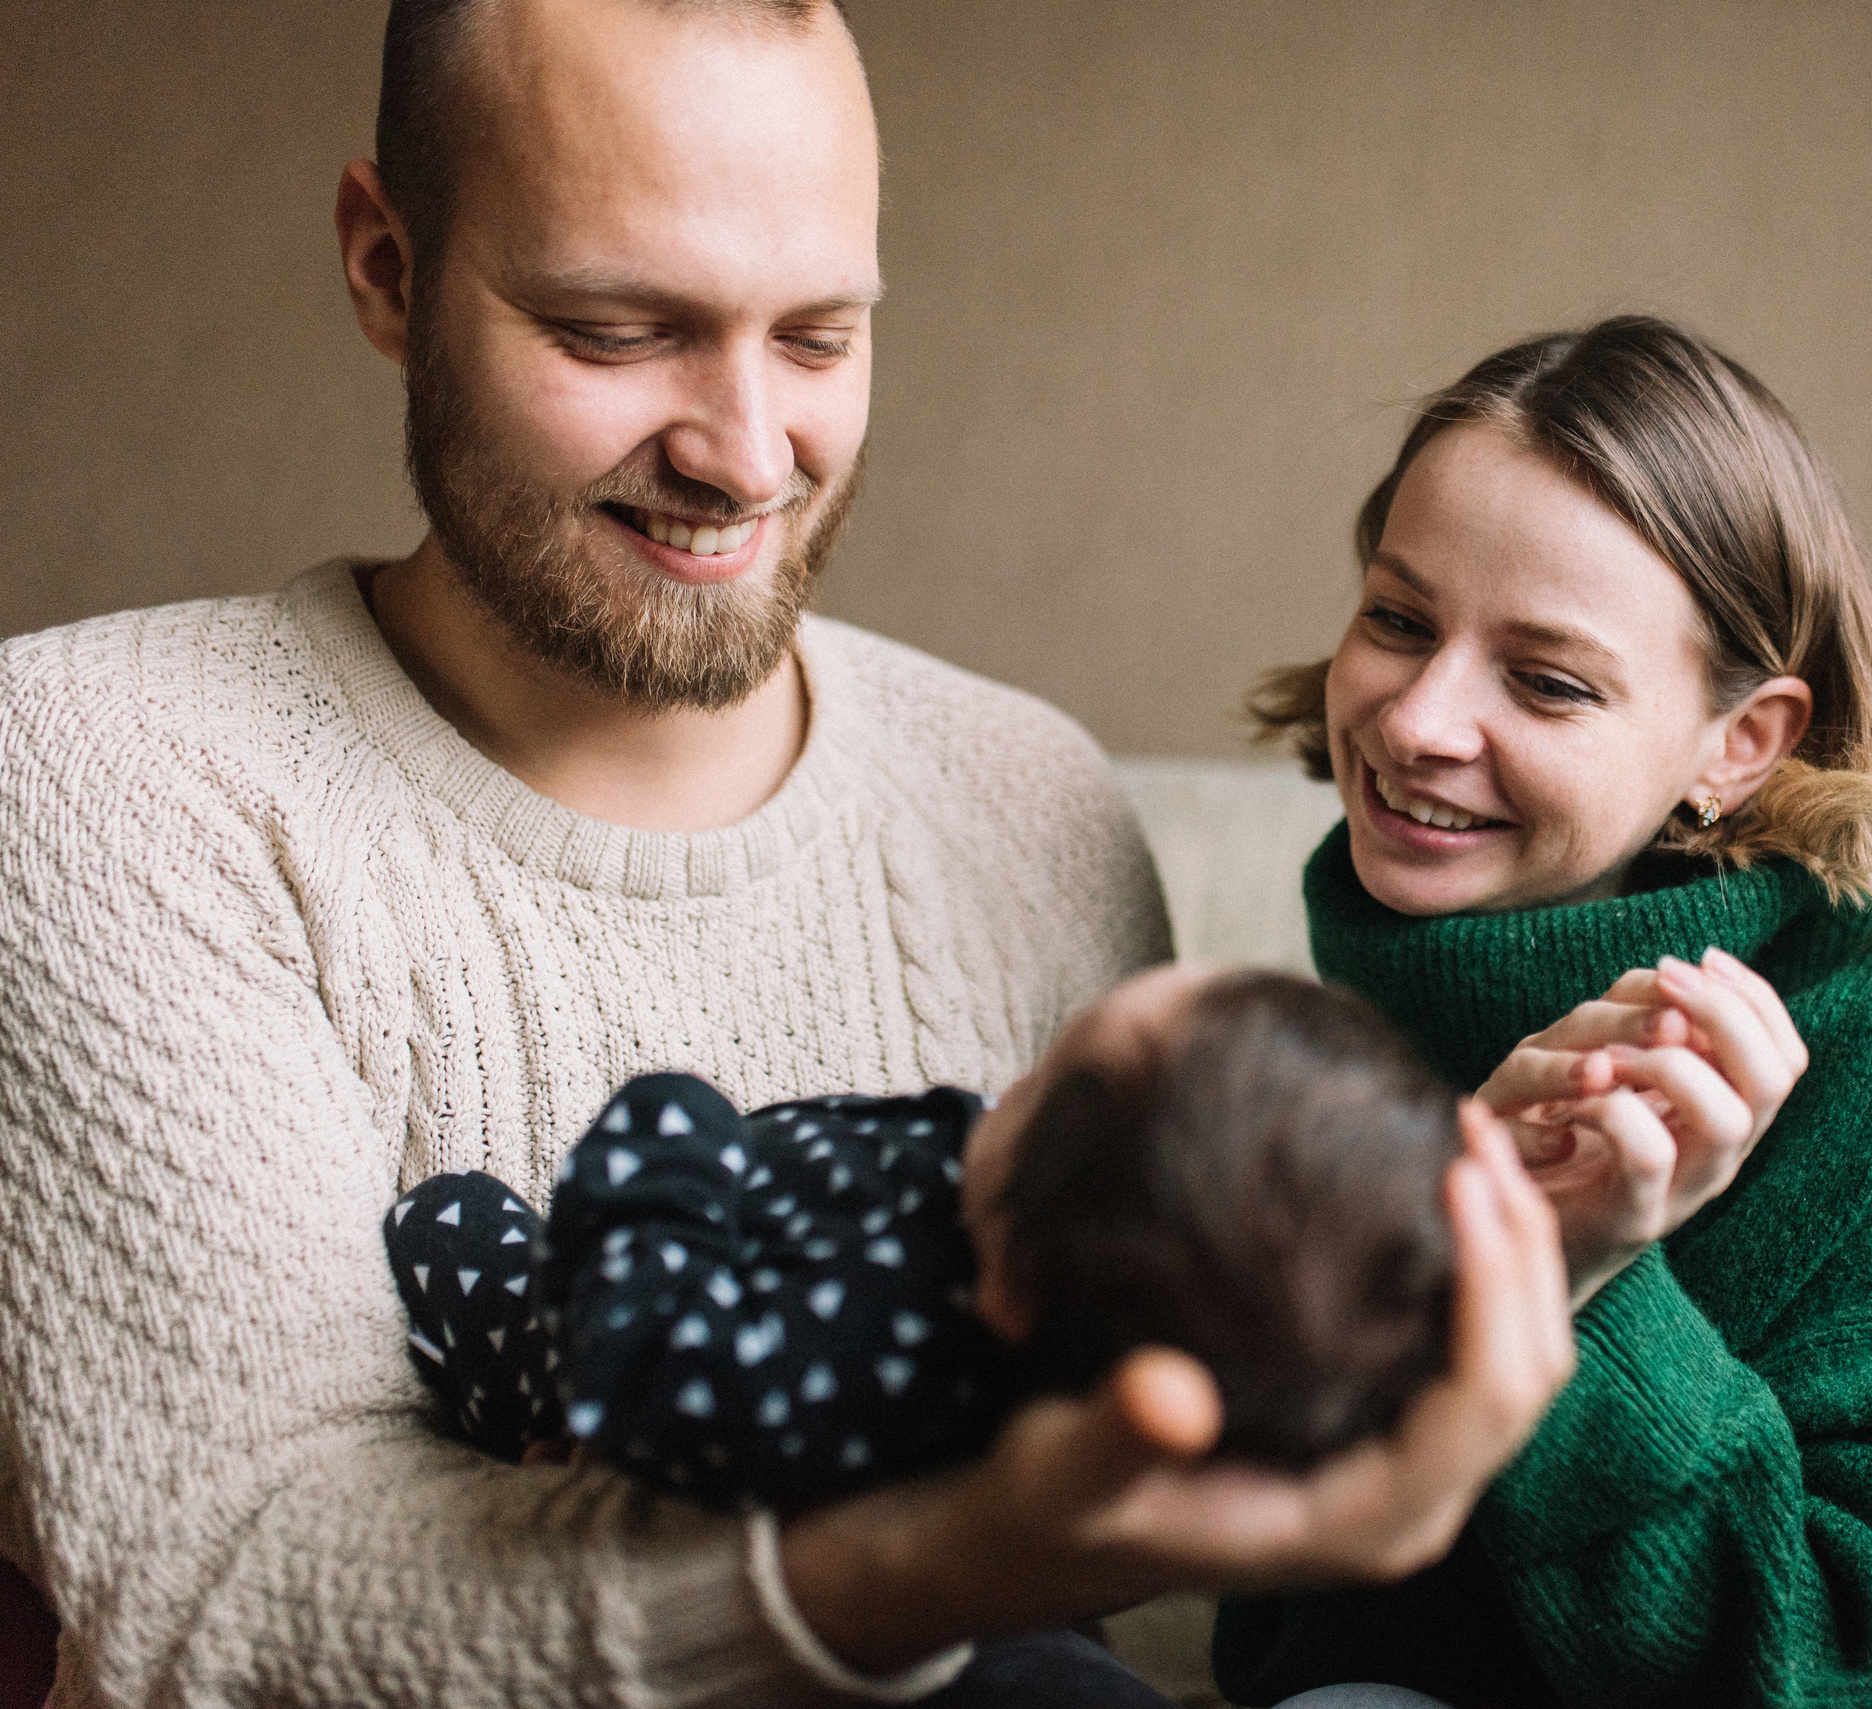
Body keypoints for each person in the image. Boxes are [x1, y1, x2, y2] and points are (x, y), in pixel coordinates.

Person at [0, 2, 1573, 1703]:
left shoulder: (1026, 794)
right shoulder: (108, 774)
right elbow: (230, 1609)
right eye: (616, 330)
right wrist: (965, 1553)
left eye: (819, 336)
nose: (745, 455)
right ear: (388, 268)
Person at [1220, 316, 1872, 1708]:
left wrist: (1572, 1296)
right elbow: (1303, 1639)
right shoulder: (1364, 1012)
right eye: (1400, 619)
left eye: (1546, 680)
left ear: (1739, 743)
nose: (1418, 720)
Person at [389, 967, 1465, 1507]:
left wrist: (672, 1129)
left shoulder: (868, 1361)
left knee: (445, 1214)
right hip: (727, 1243)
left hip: (619, 1322)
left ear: (1013, 1277)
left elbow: (655, 1360)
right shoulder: (1052, 1245)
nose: (988, 1091)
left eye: (1035, 1087)